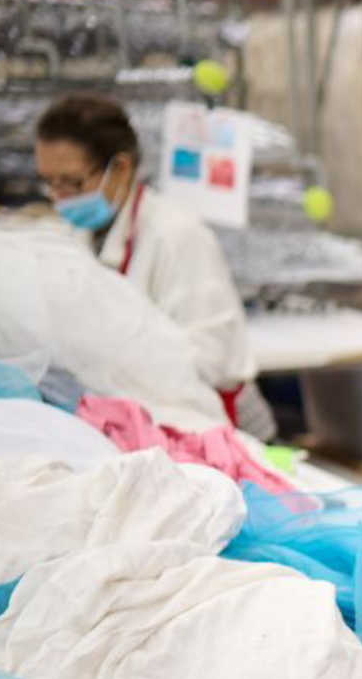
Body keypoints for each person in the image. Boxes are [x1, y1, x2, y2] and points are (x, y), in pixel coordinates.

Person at [34, 93, 271, 436]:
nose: (59, 197)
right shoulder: (75, 235)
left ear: (121, 168)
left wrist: (119, 359)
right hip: (149, 416)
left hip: (217, 421)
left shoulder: (177, 236)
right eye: (48, 183)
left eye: (71, 182)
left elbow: (211, 360)